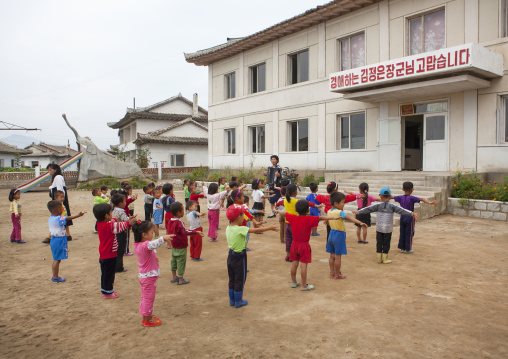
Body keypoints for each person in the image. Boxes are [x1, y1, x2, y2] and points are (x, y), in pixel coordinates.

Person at [276, 199, 342, 290]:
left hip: (294, 245)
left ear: (296, 210)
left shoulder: (292, 217)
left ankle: (293, 282)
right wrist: (333, 218)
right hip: (304, 246)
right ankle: (304, 285)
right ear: (308, 210)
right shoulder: (309, 219)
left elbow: (284, 213)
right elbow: (321, 218)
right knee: (304, 265)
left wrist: (276, 210)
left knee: (294, 264)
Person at [226, 205, 278, 308]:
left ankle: (232, 300)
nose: (244, 217)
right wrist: (269, 228)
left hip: (230, 256)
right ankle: (238, 301)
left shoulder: (228, 227)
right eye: (243, 215)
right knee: (240, 279)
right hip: (239, 256)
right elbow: (254, 231)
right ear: (238, 217)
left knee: (232, 279)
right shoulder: (240, 229)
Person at [356, 187, 419, 264]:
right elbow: (402, 210)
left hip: (379, 228)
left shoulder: (378, 205)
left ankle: (379, 258)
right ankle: (385, 258)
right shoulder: (392, 206)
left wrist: (358, 212)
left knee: (379, 242)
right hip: (388, 229)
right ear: (390, 196)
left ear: (380, 196)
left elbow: (368, 208)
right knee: (386, 243)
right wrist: (412, 213)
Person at [132, 220, 174, 327]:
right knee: (148, 298)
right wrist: (163, 238)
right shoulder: (145, 245)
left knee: (145, 297)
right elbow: (153, 244)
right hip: (149, 277)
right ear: (144, 235)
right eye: (151, 233)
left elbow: (151, 247)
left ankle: (146, 316)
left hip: (144, 276)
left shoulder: (137, 244)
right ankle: (148, 319)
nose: (153, 234)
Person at [94, 203, 135, 298]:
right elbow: (119, 226)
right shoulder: (109, 227)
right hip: (109, 255)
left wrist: (114, 218)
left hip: (104, 254)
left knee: (105, 274)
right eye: (110, 212)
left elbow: (111, 222)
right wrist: (130, 223)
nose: (112, 214)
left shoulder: (101, 224)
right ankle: (108, 292)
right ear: (106, 216)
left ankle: (106, 290)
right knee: (109, 275)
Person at [326, 192, 368, 279]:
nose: (344, 204)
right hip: (339, 234)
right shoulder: (340, 212)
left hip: (331, 233)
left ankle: (332, 272)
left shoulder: (329, 211)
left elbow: (328, 222)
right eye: (342, 202)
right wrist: (360, 222)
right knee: (338, 256)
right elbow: (349, 217)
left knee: (331, 255)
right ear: (336, 203)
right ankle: (337, 274)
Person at [47, 200, 85, 283]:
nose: (64, 209)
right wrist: (78, 215)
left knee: (57, 258)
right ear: (58, 209)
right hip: (58, 240)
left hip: (55, 239)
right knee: (56, 259)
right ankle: (55, 277)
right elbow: (67, 218)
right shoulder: (57, 218)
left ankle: (55, 276)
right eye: (62, 208)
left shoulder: (51, 218)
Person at [394, 181, 438, 253]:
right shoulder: (412, 198)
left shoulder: (400, 197)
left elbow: (391, 197)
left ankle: (402, 248)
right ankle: (408, 248)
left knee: (402, 232)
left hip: (402, 217)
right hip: (410, 216)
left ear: (402, 189)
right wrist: (429, 202)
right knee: (409, 232)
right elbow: (421, 199)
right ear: (412, 189)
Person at [167, 202, 204, 285]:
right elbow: (185, 231)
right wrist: (196, 232)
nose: (184, 211)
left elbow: (169, 231)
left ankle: (174, 277)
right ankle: (180, 279)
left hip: (174, 245)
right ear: (179, 213)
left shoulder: (170, 221)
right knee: (181, 262)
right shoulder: (179, 222)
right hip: (181, 245)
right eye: (183, 210)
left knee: (174, 260)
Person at [283, 184, 322, 262]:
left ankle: (287, 255)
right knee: (295, 240)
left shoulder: (285, 200)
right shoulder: (296, 201)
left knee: (288, 240)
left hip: (287, 223)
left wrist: (276, 207)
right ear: (294, 192)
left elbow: (279, 203)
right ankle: (293, 255)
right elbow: (307, 203)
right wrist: (316, 205)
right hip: (295, 223)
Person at [316, 182, 357, 246]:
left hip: (329, 218)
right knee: (338, 231)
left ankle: (329, 245)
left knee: (329, 232)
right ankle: (337, 245)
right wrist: (357, 197)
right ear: (335, 189)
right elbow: (348, 197)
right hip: (338, 218)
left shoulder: (325, 197)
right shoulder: (339, 198)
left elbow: (318, 197)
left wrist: (316, 197)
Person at [46, 163, 73, 242]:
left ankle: (49, 236)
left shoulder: (58, 177)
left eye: (50, 170)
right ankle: (68, 235)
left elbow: (60, 190)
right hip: (59, 200)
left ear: (55, 170)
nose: (49, 172)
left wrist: (59, 201)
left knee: (57, 217)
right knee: (63, 215)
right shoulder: (57, 177)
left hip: (58, 201)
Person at [111, 193, 133, 273]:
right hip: (121, 232)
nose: (125, 203)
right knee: (120, 250)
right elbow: (126, 220)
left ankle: (116, 265)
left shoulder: (114, 210)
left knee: (117, 249)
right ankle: (119, 267)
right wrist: (130, 219)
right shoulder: (121, 211)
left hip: (116, 231)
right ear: (120, 204)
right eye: (124, 201)